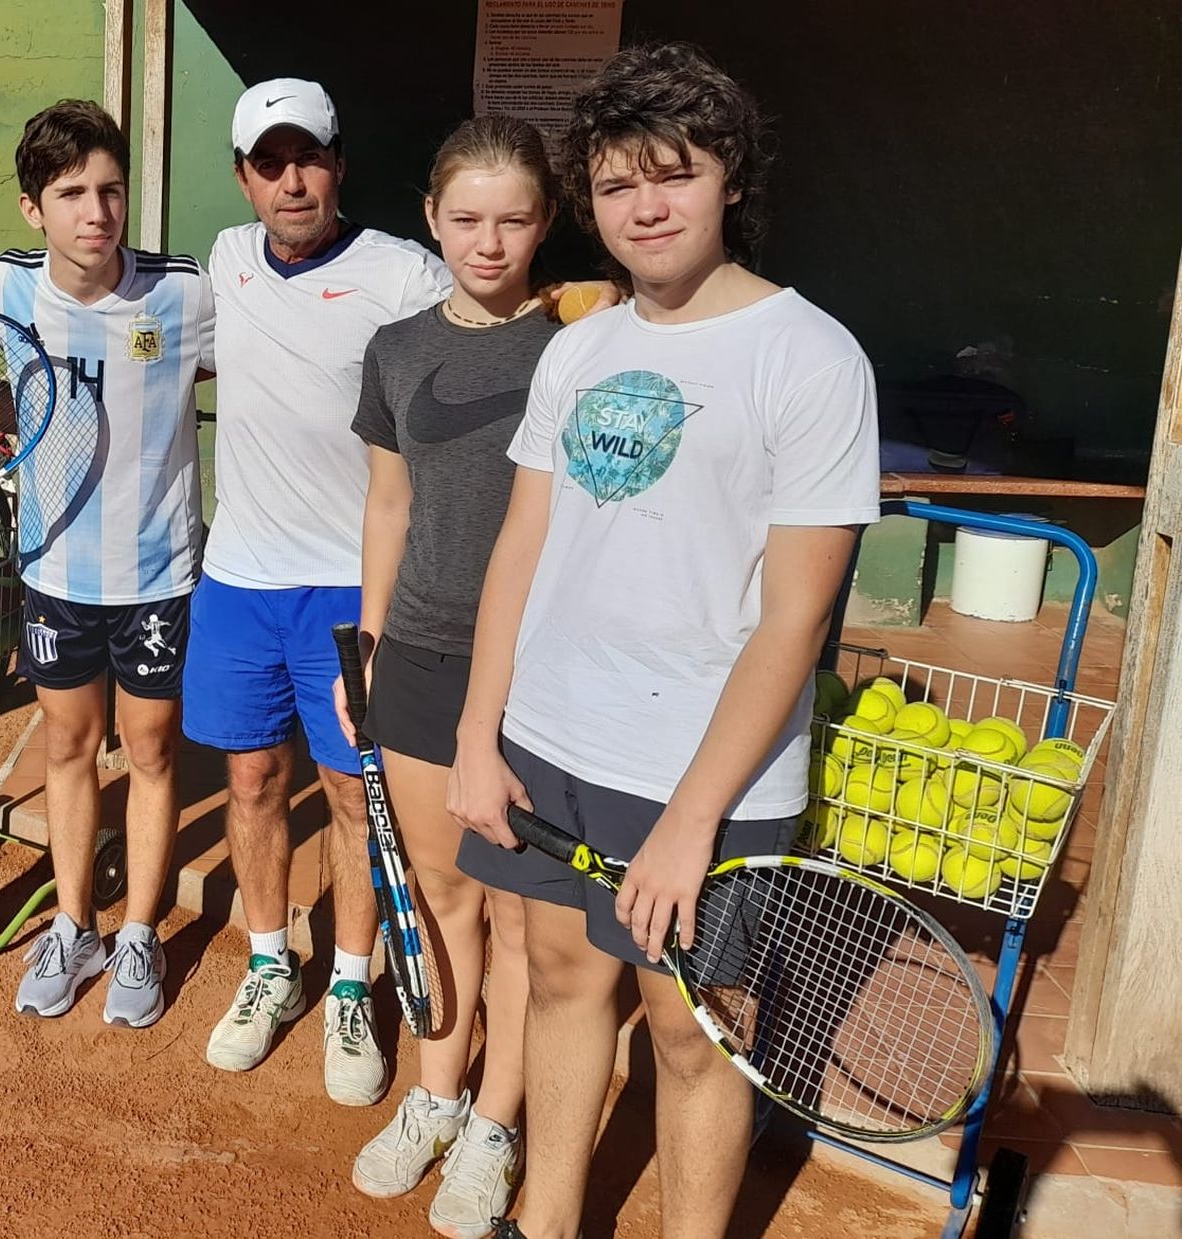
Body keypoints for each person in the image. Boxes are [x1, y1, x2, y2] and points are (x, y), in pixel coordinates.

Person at [448, 44, 882, 1239]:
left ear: (728, 177)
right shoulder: (580, 347)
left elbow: (796, 618)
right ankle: (545, 1222)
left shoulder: (812, 357)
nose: (644, 207)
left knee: (697, 1036)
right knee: (564, 984)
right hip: (552, 741)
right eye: (616, 184)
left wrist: (694, 823)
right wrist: (480, 735)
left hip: (710, 775)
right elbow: (520, 554)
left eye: (672, 176)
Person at [181, 78, 455, 1107]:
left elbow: (477, 356)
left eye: (309, 158)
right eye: (268, 162)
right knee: (251, 781)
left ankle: (348, 981)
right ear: (244, 177)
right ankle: (268, 965)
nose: (290, 181)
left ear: (339, 164)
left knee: (351, 793)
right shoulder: (222, 262)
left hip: (353, 584)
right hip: (240, 580)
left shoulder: (402, 275)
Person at [337, 116, 561, 1238]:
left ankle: (497, 1127)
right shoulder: (396, 349)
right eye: (466, 218)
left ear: (547, 223)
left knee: (522, 919)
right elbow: (390, 505)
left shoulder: (578, 342)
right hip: (416, 652)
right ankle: (438, 1093)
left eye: (514, 218)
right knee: (436, 896)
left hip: (537, 670)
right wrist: (368, 645)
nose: (489, 240)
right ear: (431, 219)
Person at [0, 99, 214, 1029]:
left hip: (157, 577)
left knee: (150, 752)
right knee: (70, 749)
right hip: (53, 575)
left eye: (111, 189)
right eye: (71, 192)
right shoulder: (4, 289)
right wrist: (29, 430)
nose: (97, 211)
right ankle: (75, 922)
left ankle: (141, 933)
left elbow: (243, 371)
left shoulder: (185, 292)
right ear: (35, 208)